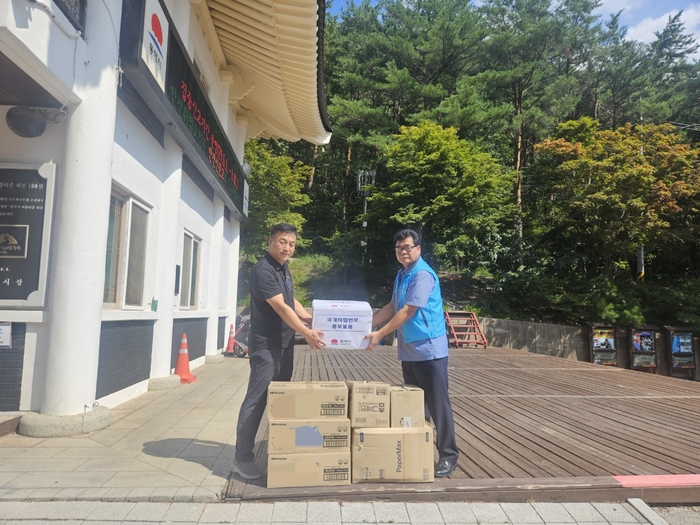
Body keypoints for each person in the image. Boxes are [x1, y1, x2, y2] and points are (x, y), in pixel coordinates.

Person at [231, 223, 327, 480]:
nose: (287, 248)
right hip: (266, 347)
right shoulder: (262, 270)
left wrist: (311, 319)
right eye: (283, 242)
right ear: (271, 241)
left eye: (292, 244)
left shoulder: (283, 268)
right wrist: (307, 332)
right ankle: (242, 457)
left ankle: (280, 448)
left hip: (284, 344)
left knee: (281, 399)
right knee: (257, 400)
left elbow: (291, 301)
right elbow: (280, 307)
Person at [365, 229, 460, 478]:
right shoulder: (402, 274)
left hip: (429, 350)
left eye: (407, 247)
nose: (403, 252)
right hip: (409, 350)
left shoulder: (422, 274)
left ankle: (448, 456)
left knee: (438, 405)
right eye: (399, 248)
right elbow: (393, 306)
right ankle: (420, 452)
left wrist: (379, 334)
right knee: (415, 406)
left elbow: (409, 310)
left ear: (418, 248)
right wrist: (368, 325)